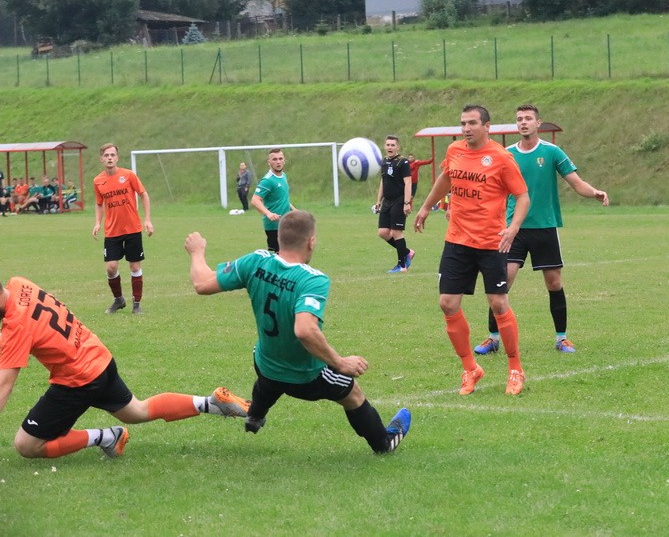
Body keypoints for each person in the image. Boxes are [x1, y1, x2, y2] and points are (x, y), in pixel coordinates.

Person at [184, 210, 411, 453]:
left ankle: (255, 415)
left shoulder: (256, 261)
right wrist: (340, 362)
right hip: (306, 377)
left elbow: (202, 284)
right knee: (352, 394)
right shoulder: (312, 280)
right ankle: (383, 444)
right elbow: (304, 330)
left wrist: (197, 252)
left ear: (279, 237)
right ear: (311, 241)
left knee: (267, 377)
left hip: (265, 364)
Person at [0, 275, 250, 459]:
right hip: (98, 356)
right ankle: (211, 403)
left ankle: (105, 437)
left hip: (79, 378)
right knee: (137, 411)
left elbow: (4, 385)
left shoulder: (15, 327)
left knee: (27, 444)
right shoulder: (19, 283)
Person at [474, 104, 610, 355]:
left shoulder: (552, 151)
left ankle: (562, 338)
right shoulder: (507, 154)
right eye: (519, 119)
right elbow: (489, 187)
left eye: (528, 118)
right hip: (513, 229)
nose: (523, 122)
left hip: (545, 226)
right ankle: (493, 338)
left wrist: (594, 193)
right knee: (501, 281)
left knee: (554, 282)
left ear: (538, 123)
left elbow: (576, 182)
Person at [414, 104, 530, 396]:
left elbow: (523, 196)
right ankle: (470, 369)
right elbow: (446, 178)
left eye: (472, 123)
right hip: (457, 241)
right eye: (463, 123)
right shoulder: (454, 150)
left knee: (498, 304)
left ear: (486, 126)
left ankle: (515, 369)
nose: (466, 128)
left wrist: (513, 227)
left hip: (492, 242)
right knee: (447, 303)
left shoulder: (502, 158)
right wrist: (426, 207)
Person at [92, 143, 154, 314]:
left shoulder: (128, 175)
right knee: (111, 267)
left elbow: (143, 195)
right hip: (112, 230)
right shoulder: (98, 181)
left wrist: (147, 220)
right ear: (101, 159)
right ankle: (118, 300)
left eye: (112, 155)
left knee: (134, 266)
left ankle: (137, 304)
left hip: (133, 228)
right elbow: (99, 203)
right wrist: (97, 223)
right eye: (106, 155)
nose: (109, 158)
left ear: (117, 158)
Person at [375, 136, 415, 273]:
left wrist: (407, 203)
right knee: (383, 232)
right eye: (388, 145)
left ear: (397, 147)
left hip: (399, 200)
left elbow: (408, 183)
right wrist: (378, 200)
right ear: (385, 146)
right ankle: (407, 252)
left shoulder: (403, 162)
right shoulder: (384, 161)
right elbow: (383, 181)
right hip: (387, 201)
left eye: (393, 145)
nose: (390, 147)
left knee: (397, 232)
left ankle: (402, 266)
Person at [251, 148, 294, 253]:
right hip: (274, 225)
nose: (278, 162)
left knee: (288, 254)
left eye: (280, 159)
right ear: (269, 162)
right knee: (280, 256)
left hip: (285, 222)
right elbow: (255, 200)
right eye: (274, 159)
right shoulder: (267, 180)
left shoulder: (283, 176)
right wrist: (269, 214)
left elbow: (282, 198)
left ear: (284, 160)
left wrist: (294, 210)